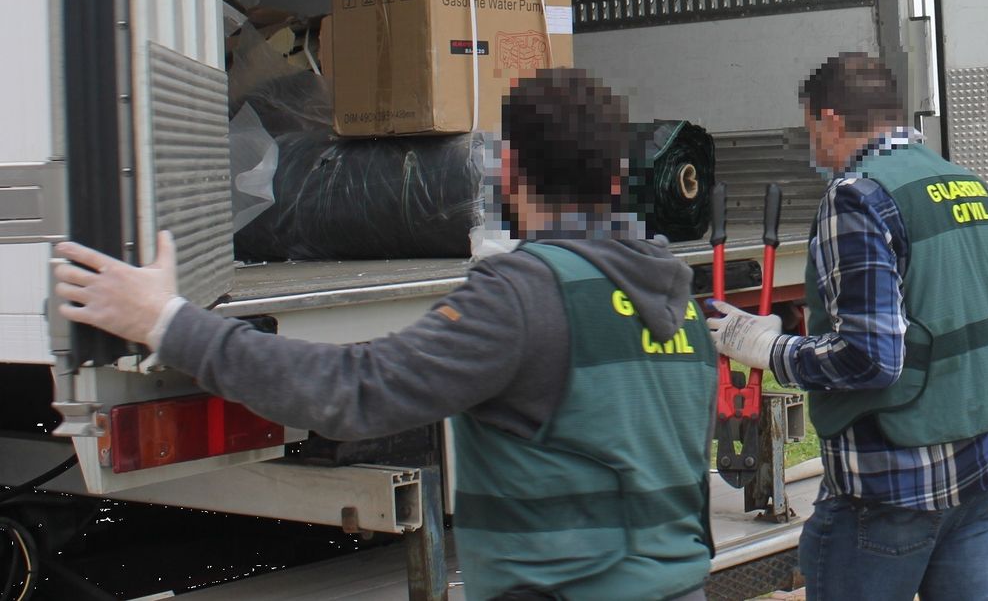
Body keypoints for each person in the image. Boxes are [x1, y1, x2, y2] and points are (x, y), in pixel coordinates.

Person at [55, 69, 717, 601]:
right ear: (613, 180)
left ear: (508, 173)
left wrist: (166, 323)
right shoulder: (679, 301)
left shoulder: (523, 298)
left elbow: (352, 394)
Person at [708, 52, 988, 601]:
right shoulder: (968, 185)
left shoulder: (857, 197)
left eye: (812, 134)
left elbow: (870, 359)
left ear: (831, 121)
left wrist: (765, 346)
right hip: (982, 473)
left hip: (890, 490)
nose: (815, 151)